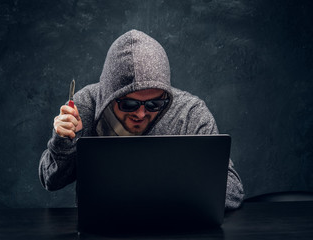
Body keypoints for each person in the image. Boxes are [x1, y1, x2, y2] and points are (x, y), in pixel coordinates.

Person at [39, 29, 244, 209]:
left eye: (154, 104)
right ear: (110, 96)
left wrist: (162, 189)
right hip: (101, 230)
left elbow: (233, 190)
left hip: (175, 231)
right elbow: (51, 181)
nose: (140, 114)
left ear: (166, 95)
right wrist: (64, 141)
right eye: (129, 105)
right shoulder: (84, 106)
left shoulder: (190, 113)